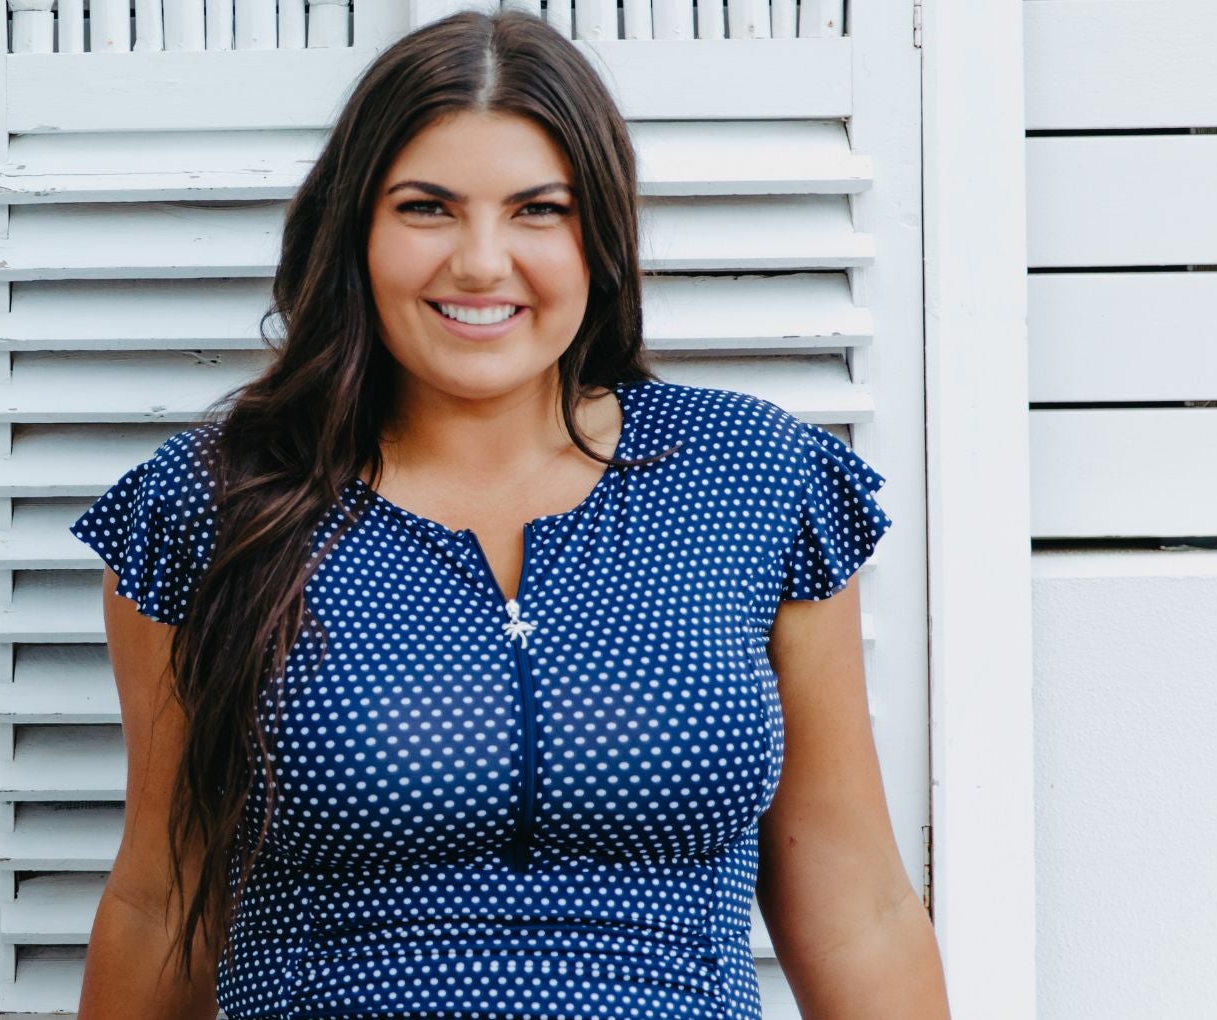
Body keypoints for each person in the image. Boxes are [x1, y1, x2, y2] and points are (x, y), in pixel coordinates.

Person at [67, 10, 951, 1019]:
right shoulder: (210, 510)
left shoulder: (750, 478)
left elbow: (857, 902)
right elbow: (157, 903)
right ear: (353, 228)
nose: (481, 263)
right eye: (426, 208)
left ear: (599, 236)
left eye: (537, 210)